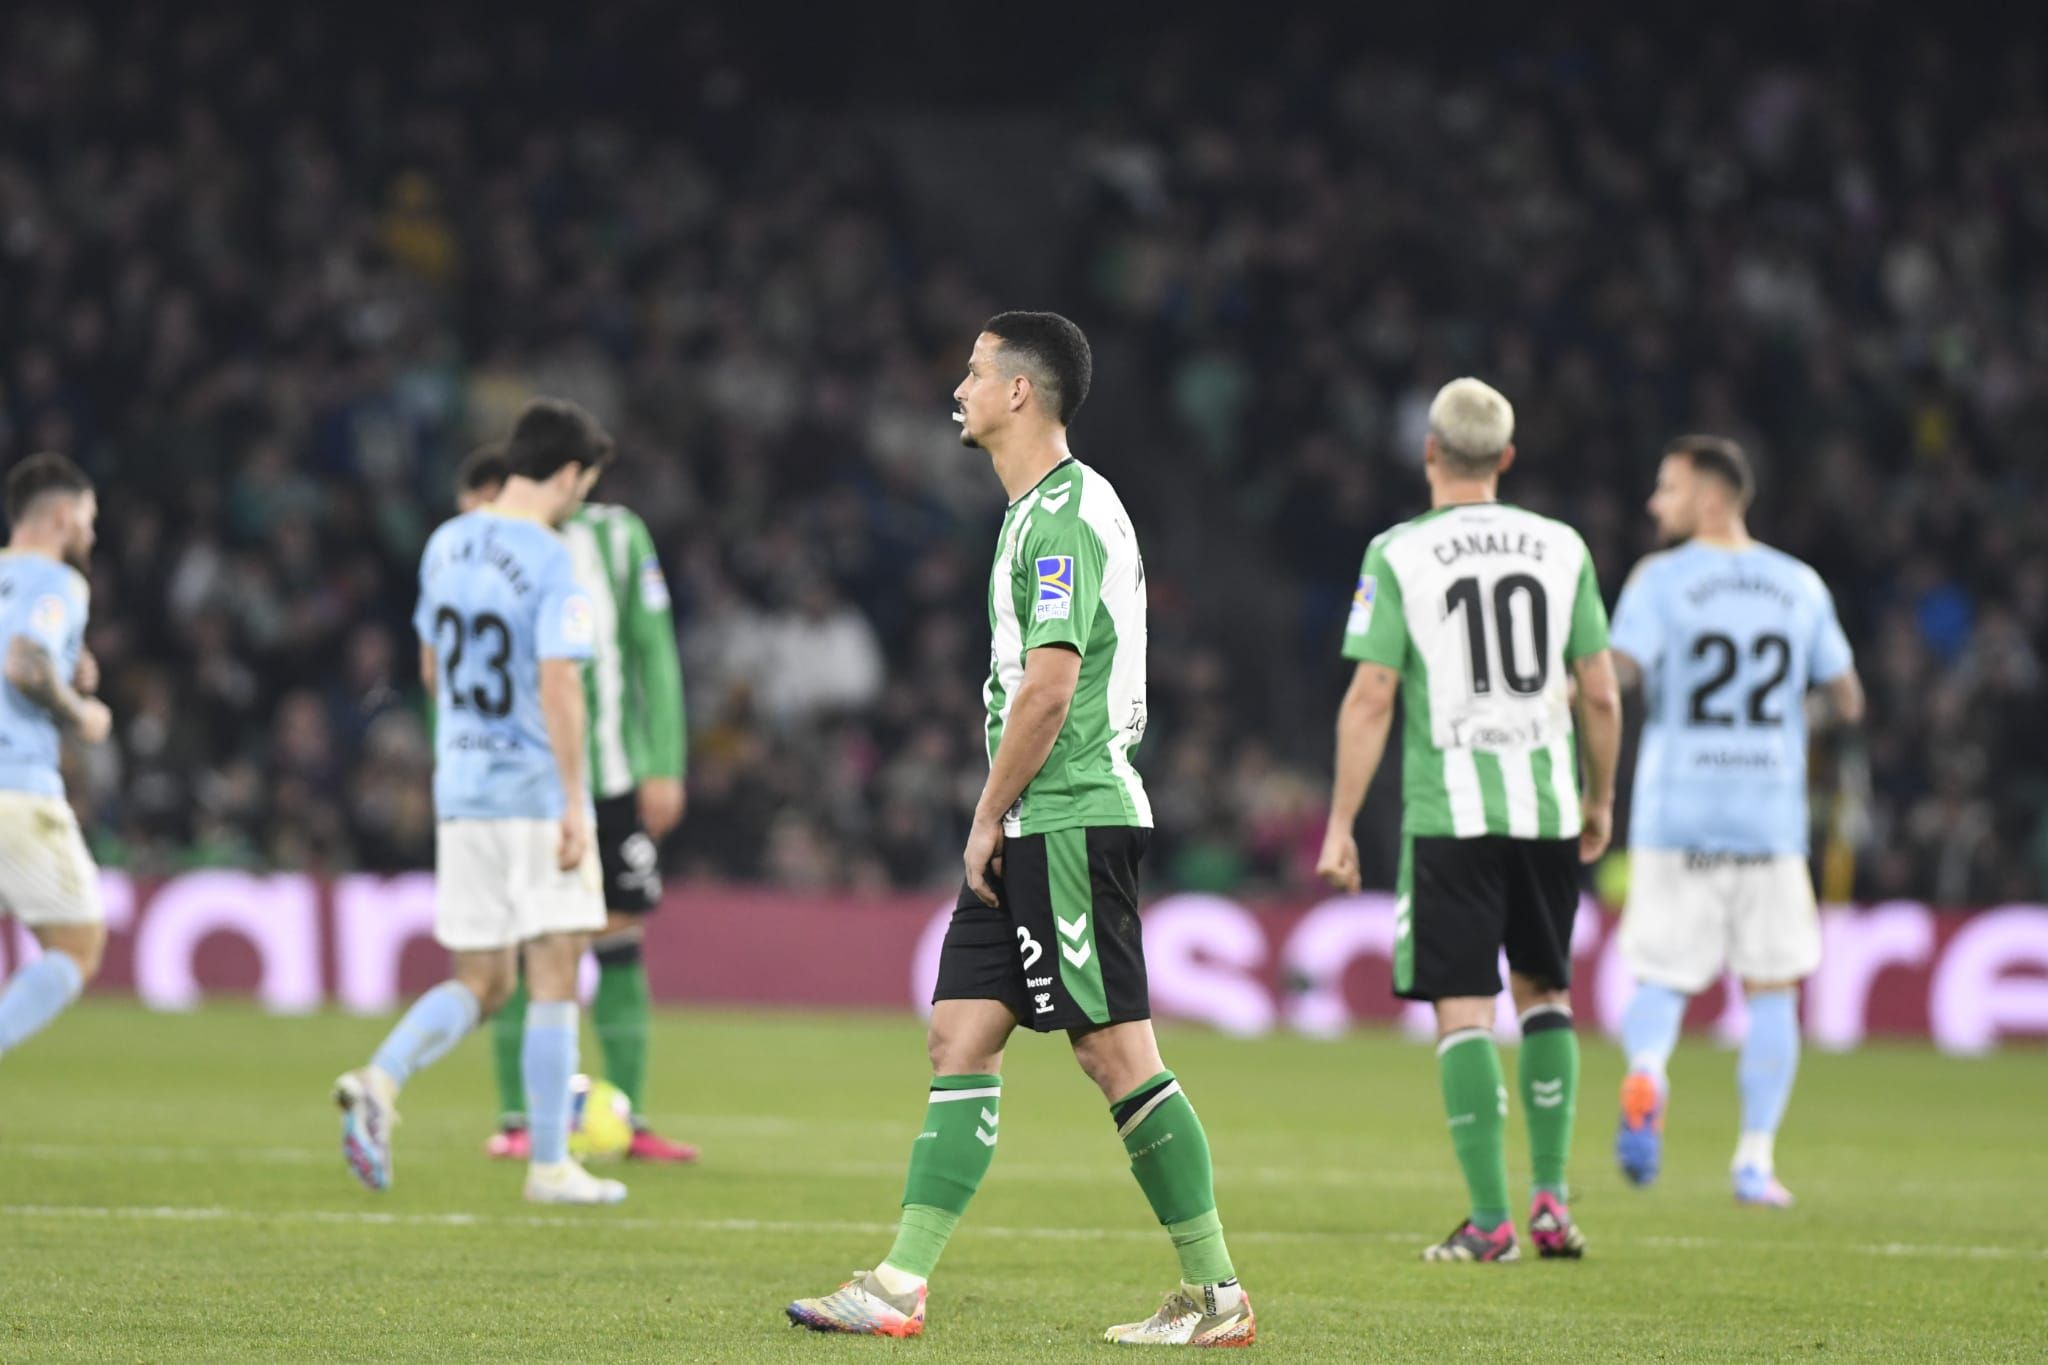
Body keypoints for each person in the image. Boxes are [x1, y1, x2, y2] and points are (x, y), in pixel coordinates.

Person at [786, 313, 1255, 1347]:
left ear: (1018, 393)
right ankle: (899, 1284)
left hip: (1068, 813)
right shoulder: (1031, 512)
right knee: (959, 1033)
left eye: (972, 371)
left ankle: (1215, 1293)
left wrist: (986, 813)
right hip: (1033, 819)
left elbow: (1049, 688)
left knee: (1114, 1053)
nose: (956, 389)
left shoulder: (1065, 515)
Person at [1316, 377, 1621, 1264]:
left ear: (1429, 452)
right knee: (1547, 994)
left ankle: (1491, 1222)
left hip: (1452, 811)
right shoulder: (1562, 546)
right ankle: (1552, 1202)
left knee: (1464, 1008)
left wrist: (1340, 822)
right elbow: (1600, 690)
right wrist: (1600, 798)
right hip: (1547, 805)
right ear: (1507, 458)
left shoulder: (1397, 551)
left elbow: (1372, 693)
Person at [333, 398, 625, 1205]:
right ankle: (550, 1166)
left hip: (463, 790)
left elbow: (431, 669)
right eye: (584, 485)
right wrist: (574, 799)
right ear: (567, 474)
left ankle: (381, 1075)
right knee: (556, 967)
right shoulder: (553, 557)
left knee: (485, 979)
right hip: (534, 791)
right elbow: (560, 683)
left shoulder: (446, 543)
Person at [1608, 436, 1864, 1206]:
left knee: (1661, 977)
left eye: (1668, 487)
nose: (1655, 502)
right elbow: (1848, 698)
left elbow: (1619, 672)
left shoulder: (1660, 579)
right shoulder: (1799, 584)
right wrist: (1795, 716)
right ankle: (1754, 1159)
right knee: (1772, 988)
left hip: (1676, 813)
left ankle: (1647, 1072)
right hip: (1768, 820)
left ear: (1711, 498)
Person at [455, 446, 697, 1165]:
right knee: (525, 941)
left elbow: (653, 649)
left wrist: (664, 762)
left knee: (619, 935)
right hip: (521, 783)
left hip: (610, 775)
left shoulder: (617, 536)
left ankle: (628, 1116)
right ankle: (517, 1118)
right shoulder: (487, 548)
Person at [0, 454, 114, 1064]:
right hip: (15, 787)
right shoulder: (58, 582)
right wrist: (79, 711)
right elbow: (23, 661)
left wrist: (66, 663)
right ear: (64, 516)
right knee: (76, 946)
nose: (91, 534)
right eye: (89, 519)